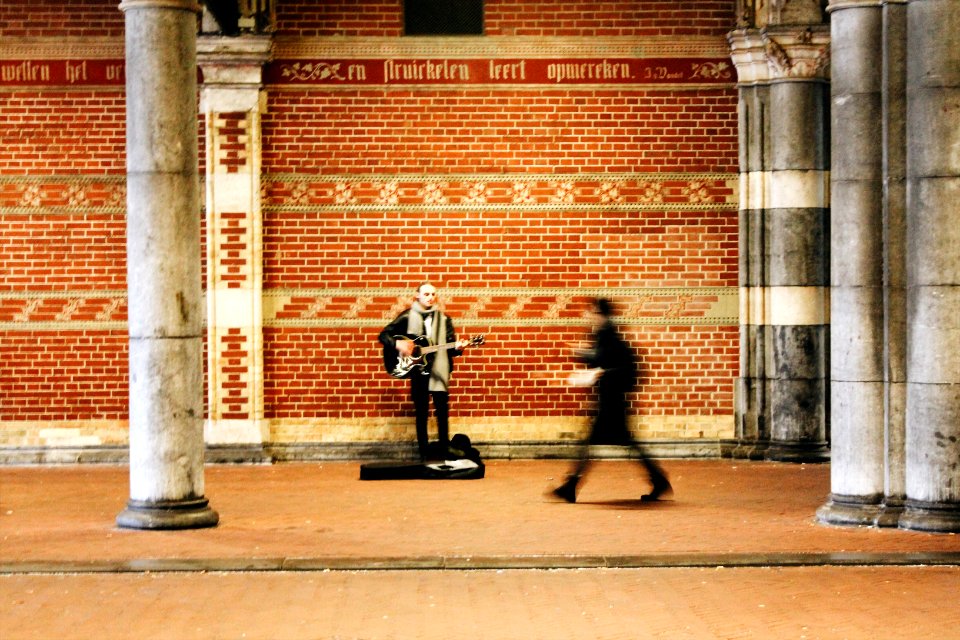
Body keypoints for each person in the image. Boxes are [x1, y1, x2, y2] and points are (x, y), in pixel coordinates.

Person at [551, 297, 672, 503]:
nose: (586, 316)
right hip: (610, 402)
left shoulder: (610, 337)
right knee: (624, 443)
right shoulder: (603, 335)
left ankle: (571, 485)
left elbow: (620, 366)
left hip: (612, 404)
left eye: (591, 312)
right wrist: (587, 357)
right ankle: (658, 479)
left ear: (601, 314)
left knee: (594, 444)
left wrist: (595, 365)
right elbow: (603, 360)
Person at [379, 282, 470, 461]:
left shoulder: (444, 320)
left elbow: (450, 349)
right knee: (421, 412)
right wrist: (399, 344)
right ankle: (424, 451)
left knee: (442, 410)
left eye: (433, 294)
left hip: (439, 372)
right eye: (426, 294)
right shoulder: (406, 317)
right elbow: (384, 335)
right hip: (417, 371)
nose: (430, 297)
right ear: (417, 296)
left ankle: (445, 447)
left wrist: (459, 347)